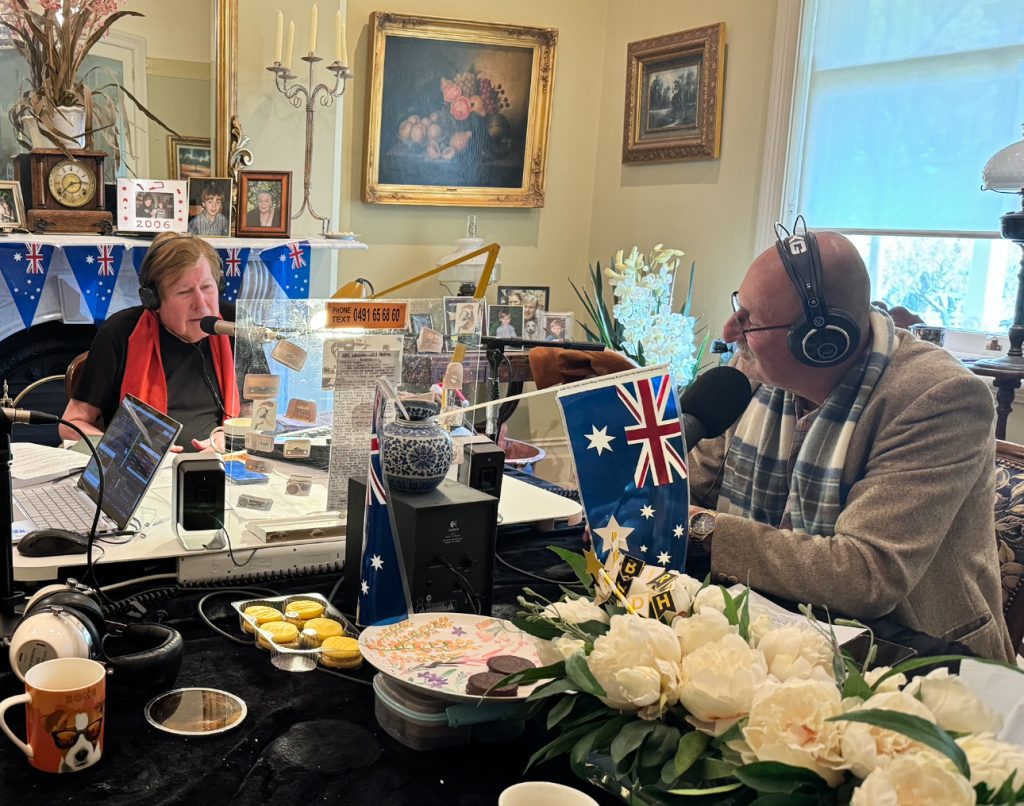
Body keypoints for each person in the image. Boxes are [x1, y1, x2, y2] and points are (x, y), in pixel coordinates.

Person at [685, 229, 1013, 662]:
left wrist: (698, 527)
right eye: (737, 308)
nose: (730, 331)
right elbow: (694, 484)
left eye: (750, 321)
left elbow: (865, 576)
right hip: (767, 624)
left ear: (822, 342)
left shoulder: (940, 397)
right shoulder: (753, 372)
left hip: (910, 658)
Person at [60, 232, 240, 451]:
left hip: (223, 467)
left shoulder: (235, 325)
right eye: (184, 292)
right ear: (153, 299)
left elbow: (259, 412)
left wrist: (229, 437)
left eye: (207, 287)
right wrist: (126, 448)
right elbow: (71, 424)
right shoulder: (120, 332)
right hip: (143, 475)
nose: (201, 304)